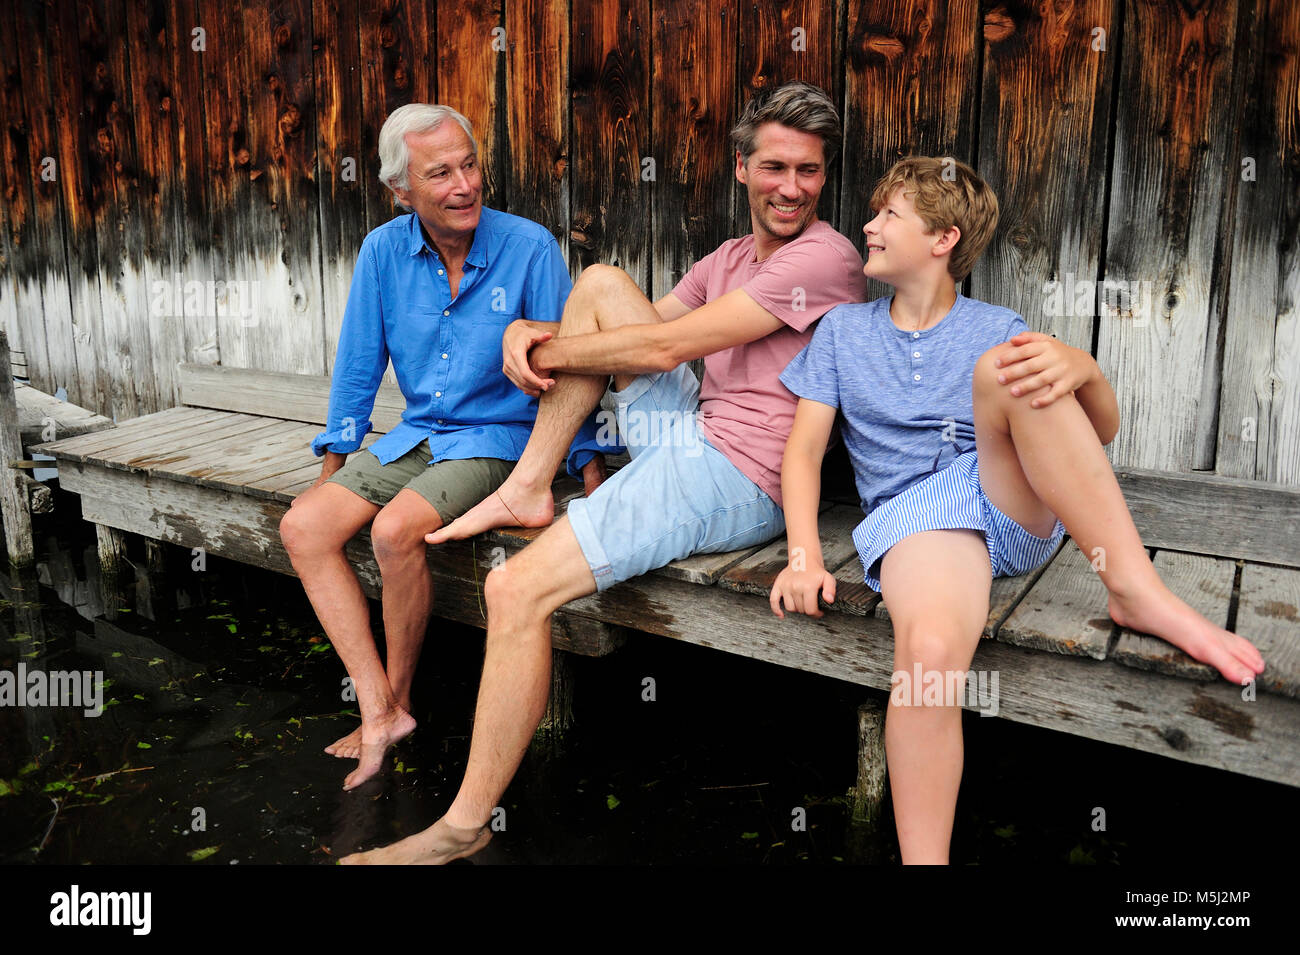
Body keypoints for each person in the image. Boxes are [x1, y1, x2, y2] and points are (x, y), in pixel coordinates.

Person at [340, 81, 868, 862]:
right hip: (685, 429)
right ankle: (527, 485)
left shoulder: (826, 258)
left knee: (513, 588)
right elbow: (633, 325)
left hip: (740, 470)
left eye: (810, 171)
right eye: (775, 166)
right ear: (741, 169)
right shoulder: (727, 258)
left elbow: (658, 352)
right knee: (599, 284)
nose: (792, 187)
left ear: (825, 179)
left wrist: (534, 348)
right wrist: (534, 324)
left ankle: (460, 825)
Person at [769, 155, 1268, 864]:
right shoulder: (844, 333)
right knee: (932, 656)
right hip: (921, 524)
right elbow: (803, 448)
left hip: (1008, 495)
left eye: (889, 216)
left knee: (1010, 364)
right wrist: (803, 554)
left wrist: (1084, 369)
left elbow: (1090, 433)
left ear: (943, 239)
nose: (869, 226)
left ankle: (1134, 589)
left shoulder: (996, 324)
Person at [279, 104, 607, 790]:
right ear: (402, 191)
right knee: (303, 526)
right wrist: (335, 461)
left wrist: (586, 463)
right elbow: (360, 362)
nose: (464, 184)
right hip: (418, 434)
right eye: (441, 173)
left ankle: (399, 701)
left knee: (396, 530)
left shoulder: (528, 246)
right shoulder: (382, 251)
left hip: (499, 437)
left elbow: (573, 361)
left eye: (470, 165)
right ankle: (376, 704)